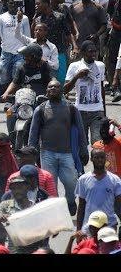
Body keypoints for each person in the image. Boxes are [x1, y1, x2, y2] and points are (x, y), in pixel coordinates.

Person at [29, 80, 88, 214]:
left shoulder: (71, 108)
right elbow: (33, 133)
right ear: (47, 91)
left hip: (67, 153)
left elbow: (81, 130)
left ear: (62, 91)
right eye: (50, 87)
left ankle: (70, 201)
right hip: (47, 153)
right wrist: (32, 153)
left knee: (71, 181)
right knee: (50, 185)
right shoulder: (41, 109)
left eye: (56, 86)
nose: (53, 88)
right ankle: (54, 212)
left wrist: (83, 149)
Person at [65, 40, 106, 144]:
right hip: (80, 111)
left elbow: (101, 88)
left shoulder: (100, 65)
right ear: (83, 52)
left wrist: (104, 111)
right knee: (81, 145)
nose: (93, 54)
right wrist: (77, 76)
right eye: (90, 51)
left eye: (95, 51)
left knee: (98, 143)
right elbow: (65, 90)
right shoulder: (74, 66)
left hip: (97, 112)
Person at [0, 176, 46, 254]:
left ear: (27, 188)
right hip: (13, 250)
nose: (17, 191)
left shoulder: (35, 208)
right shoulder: (5, 205)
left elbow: (44, 231)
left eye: (20, 188)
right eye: (13, 189)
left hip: (34, 250)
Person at [76, 148, 121, 235]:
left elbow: (119, 205)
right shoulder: (83, 179)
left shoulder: (115, 180)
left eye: (102, 157)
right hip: (89, 227)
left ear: (105, 158)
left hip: (109, 226)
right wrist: (78, 229)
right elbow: (81, 206)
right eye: (96, 157)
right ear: (91, 159)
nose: (100, 160)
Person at [0, 0, 30, 94]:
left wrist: (27, 52)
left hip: (20, 53)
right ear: (7, 4)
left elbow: (27, 37)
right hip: (6, 52)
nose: (13, 5)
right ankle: (6, 94)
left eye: (15, 3)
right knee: (3, 75)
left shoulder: (25, 18)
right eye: (11, 3)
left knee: (16, 74)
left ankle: (14, 96)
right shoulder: (1, 18)